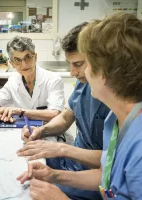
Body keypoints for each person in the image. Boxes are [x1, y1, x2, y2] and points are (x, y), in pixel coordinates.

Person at [18, 13, 142, 200]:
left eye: (86, 64)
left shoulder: (138, 145)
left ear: (107, 72)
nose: (76, 73)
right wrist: (55, 175)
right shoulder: (115, 121)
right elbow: (107, 174)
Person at [17, 23, 110, 200]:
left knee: (28, 191)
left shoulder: (114, 102)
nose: (72, 72)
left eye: (78, 64)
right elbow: (66, 117)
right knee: (23, 165)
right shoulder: (84, 86)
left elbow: (113, 161)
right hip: (73, 161)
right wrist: (41, 131)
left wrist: (61, 149)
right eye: (69, 64)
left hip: (91, 175)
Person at [0, 36, 64, 122]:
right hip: (22, 130)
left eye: (28, 57)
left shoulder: (53, 79)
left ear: (35, 57)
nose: (24, 64)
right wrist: (2, 115)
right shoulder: (12, 81)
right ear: (12, 64)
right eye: (18, 60)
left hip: (49, 132)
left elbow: (55, 114)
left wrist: (21, 112)